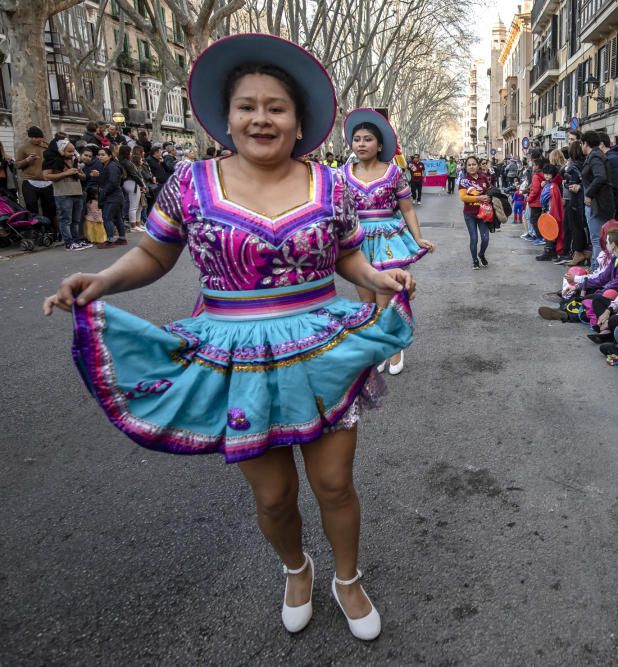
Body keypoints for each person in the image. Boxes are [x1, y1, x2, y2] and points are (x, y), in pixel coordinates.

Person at [45, 34, 414, 641]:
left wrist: (378, 276)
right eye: (248, 105)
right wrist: (103, 280)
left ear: (299, 122)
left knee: (334, 482)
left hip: (322, 350)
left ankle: (347, 579)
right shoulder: (188, 184)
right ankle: (297, 569)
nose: (261, 118)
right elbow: (154, 255)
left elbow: (350, 258)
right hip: (234, 357)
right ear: (227, 116)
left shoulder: (333, 186)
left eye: (276, 107)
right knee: (273, 496)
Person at [342, 108, 434, 374]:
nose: (361, 143)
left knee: (386, 300)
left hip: (388, 241)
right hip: (357, 242)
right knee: (367, 303)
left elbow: (406, 208)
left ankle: (394, 347)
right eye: (357, 138)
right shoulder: (343, 174)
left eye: (367, 139)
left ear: (380, 144)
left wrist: (418, 238)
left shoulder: (393, 172)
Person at [43, 138, 89, 251]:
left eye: (73, 151)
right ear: (60, 150)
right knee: (65, 220)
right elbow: (46, 176)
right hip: (63, 193)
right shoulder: (52, 160)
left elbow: (84, 176)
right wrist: (66, 173)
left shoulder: (74, 160)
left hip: (77, 192)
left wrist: (78, 174)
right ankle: (69, 243)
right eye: (69, 151)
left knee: (76, 220)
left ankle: (76, 240)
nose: (72, 153)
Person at [580, 131, 615, 269]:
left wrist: (588, 193)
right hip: (598, 204)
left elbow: (600, 177)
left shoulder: (594, 157)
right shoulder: (596, 156)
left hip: (597, 205)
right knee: (598, 239)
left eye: (582, 144)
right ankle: (598, 269)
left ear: (585, 144)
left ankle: (596, 270)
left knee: (597, 240)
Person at [15, 126, 57, 225]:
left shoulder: (47, 146)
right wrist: (27, 160)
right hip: (30, 182)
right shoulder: (23, 148)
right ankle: (36, 231)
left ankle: (51, 230)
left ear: (42, 137)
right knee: (31, 207)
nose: (35, 139)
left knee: (50, 208)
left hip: (47, 182)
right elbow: (17, 165)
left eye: (37, 137)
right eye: (32, 137)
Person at [458, 155, 492, 269]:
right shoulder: (464, 180)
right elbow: (463, 197)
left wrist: (490, 197)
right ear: (466, 167)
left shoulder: (484, 178)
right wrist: (480, 198)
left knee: (486, 238)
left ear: (478, 166)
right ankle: (475, 260)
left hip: (483, 213)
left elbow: (491, 192)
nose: (471, 167)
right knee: (474, 238)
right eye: (469, 165)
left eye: (474, 164)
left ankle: (481, 254)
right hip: (469, 214)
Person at [562, 140, 590, 267]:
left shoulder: (573, 166)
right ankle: (581, 252)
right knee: (581, 227)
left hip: (575, 200)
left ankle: (579, 253)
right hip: (582, 200)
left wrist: (566, 183)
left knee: (576, 227)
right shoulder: (584, 162)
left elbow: (572, 183)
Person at [95, 147, 127, 247]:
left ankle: (110, 240)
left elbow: (113, 182)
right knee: (117, 218)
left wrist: (103, 192)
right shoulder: (107, 166)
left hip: (112, 197)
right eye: (99, 155)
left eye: (103, 154)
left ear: (109, 156)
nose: (100, 157)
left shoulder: (112, 166)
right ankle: (122, 238)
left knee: (107, 217)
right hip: (115, 196)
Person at [118, 144, 145, 233]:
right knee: (134, 206)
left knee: (136, 206)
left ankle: (136, 224)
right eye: (130, 152)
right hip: (132, 183)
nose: (131, 153)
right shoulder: (127, 162)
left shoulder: (123, 161)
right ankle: (133, 225)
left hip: (129, 183)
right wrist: (142, 184)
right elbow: (134, 174)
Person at [602, 133, 618, 222]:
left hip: (615, 201)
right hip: (615, 200)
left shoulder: (612, 158)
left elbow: (615, 183)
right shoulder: (611, 157)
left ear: (601, 144)